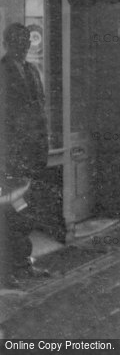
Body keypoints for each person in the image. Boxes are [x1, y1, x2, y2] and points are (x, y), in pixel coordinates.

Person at [0, 23, 51, 288]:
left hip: (31, 157)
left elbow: (40, 112)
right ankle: (6, 273)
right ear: (9, 43)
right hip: (9, 159)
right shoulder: (2, 72)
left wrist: (42, 148)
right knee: (8, 215)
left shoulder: (32, 71)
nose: (25, 45)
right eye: (19, 41)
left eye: (27, 41)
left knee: (25, 214)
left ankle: (23, 264)